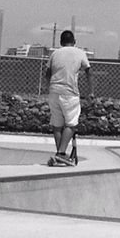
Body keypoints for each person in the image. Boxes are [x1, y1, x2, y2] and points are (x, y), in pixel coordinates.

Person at [44, 30, 90, 166]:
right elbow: (89, 71)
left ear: (60, 42)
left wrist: (49, 87)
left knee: (57, 125)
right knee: (71, 124)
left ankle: (61, 155)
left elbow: (47, 73)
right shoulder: (80, 53)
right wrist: (91, 91)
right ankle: (60, 154)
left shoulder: (55, 53)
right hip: (70, 93)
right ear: (74, 41)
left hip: (54, 91)